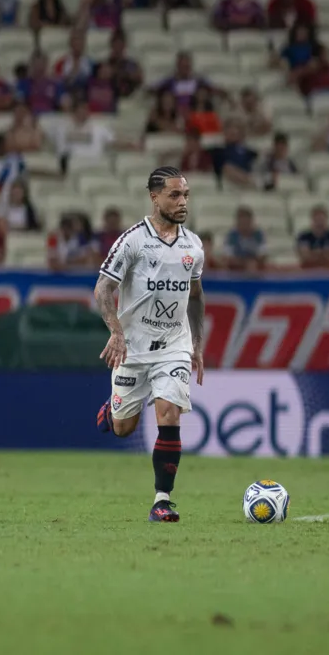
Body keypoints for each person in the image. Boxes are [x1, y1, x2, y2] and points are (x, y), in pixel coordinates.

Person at [94, 166, 205, 523]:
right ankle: (112, 411)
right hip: (133, 349)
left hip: (173, 345)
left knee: (168, 414)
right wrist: (115, 331)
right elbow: (102, 289)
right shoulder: (132, 241)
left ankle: (162, 500)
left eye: (185, 194)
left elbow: (197, 296)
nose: (182, 201)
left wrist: (197, 344)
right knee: (124, 427)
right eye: (174, 195)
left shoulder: (193, 246)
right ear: (154, 197)